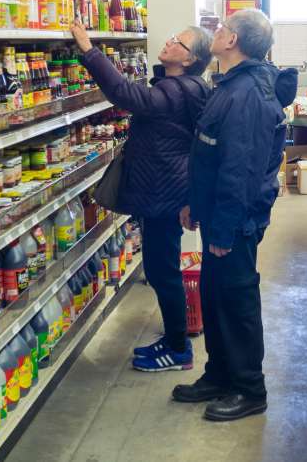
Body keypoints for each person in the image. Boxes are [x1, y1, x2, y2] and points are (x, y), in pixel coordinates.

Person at [173, 8, 297, 422]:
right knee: (214, 296)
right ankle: (220, 373)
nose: (217, 33)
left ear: (233, 43)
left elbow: (240, 172)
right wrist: (196, 202)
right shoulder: (231, 84)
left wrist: (223, 229)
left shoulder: (248, 95)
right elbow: (210, 153)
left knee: (237, 301)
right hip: (218, 216)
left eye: (223, 29)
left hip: (236, 221)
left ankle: (249, 388)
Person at [71, 18, 212, 372]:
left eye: (177, 42)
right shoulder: (183, 87)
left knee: (162, 270)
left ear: (190, 58)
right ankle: (173, 339)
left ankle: (178, 348)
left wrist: (89, 51)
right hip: (166, 190)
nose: (168, 42)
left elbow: (126, 95)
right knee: (161, 267)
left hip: (166, 194)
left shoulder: (179, 90)